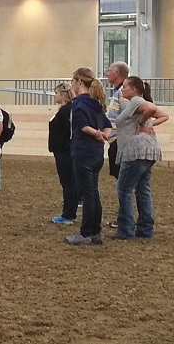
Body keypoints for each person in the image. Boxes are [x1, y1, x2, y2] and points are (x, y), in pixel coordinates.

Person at [109, 76, 169, 240]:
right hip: (149, 150)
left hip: (135, 150)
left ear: (134, 89)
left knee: (124, 189)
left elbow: (151, 108)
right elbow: (164, 115)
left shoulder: (136, 101)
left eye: (125, 87)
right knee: (143, 189)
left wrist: (143, 124)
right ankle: (145, 228)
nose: (122, 90)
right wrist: (148, 125)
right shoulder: (137, 103)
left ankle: (125, 229)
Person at [65, 68, 112, 246]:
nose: (71, 85)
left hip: (83, 151)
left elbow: (82, 126)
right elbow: (108, 125)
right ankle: (95, 231)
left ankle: (85, 233)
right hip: (97, 153)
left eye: (72, 81)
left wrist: (95, 133)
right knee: (93, 192)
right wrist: (102, 134)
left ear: (79, 82)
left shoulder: (78, 103)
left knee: (87, 194)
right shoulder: (96, 103)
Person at [105, 61, 130, 228]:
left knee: (123, 183)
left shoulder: (123, 92)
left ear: (117, 73)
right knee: (121, 181)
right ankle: (123, 217)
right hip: (115, 140)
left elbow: (128, 114)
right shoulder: (118, 92)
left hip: (120, 141)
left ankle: (124, 219)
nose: (107, 74)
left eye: (109, 71)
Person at [49, 83, 77, 224]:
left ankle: (68, 214)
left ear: (64, 94)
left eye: (57, 93)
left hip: (64, 150)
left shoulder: (66, 110)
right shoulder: (63, 110)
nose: (55, 96)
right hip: (61, 149)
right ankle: (69, 212)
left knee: (68, 182)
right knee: (68, 182)